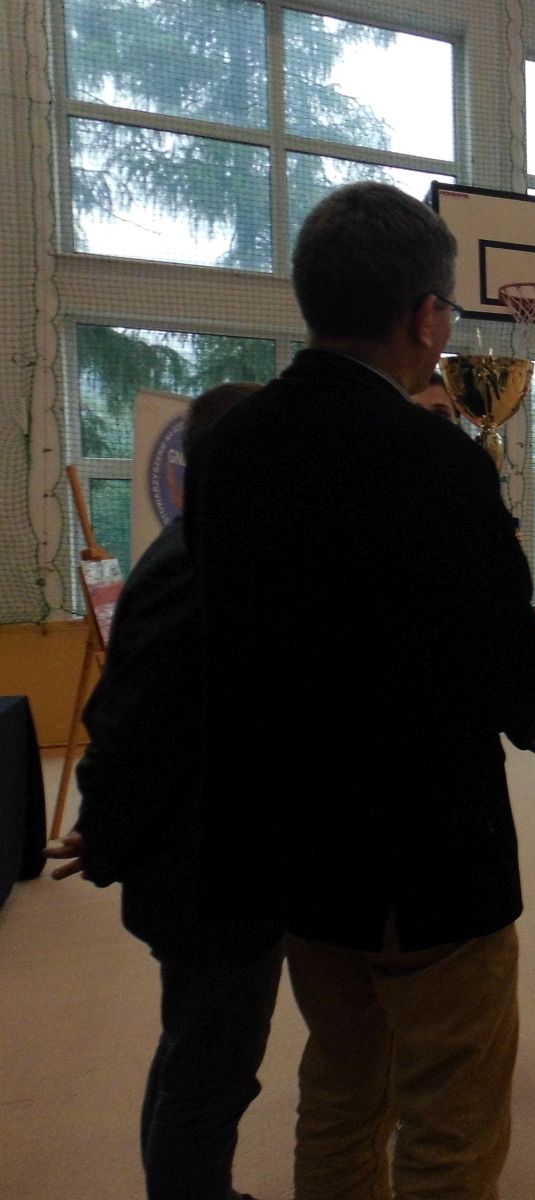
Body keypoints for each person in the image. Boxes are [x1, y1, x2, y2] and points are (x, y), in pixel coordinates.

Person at [184, 182, 535, 1199]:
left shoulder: (229, 449)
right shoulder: (436, 459)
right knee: (449, 1114)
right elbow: (505, 656)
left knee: (343, 1086)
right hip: (427, 850)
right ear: (426, 317)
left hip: (296, 845)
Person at [46, 382, 281, 1200]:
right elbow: (135, 722)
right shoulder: (203, 565)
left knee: (194, 1049)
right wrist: (108, 830)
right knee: (212, 1069)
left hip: (203, 861)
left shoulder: (202, 545)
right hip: (208, 870)